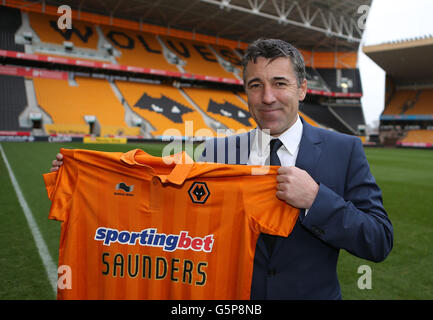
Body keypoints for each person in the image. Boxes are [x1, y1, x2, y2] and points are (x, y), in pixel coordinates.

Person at [50, 38, 393, 299]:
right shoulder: (216, 151)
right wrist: (84, 181)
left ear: (302, 89)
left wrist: (316, 200)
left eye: (280, 83)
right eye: (255, 85)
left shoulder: (344, 150)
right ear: (245, 93)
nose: (267, 97)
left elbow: (378, 240)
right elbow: (165, 213)